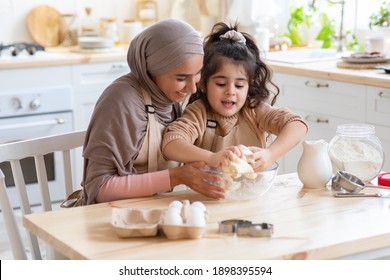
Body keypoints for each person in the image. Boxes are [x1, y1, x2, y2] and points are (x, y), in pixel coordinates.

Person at [80, 19, 226, 205]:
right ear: (152, 71)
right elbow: (100, 189)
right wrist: (175, 177)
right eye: (181, 78)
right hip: (111, 216)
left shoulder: (168, 98)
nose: (192, 88)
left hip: (156, 210)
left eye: (197, 74)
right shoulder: (122, 100)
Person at [162, 22, 308, 172]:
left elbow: (297, 124)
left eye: (239, 86)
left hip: (252, 193)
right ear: (203, 84)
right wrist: (212, 158)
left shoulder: (254, 110)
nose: (230, 92)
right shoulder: (199, 113)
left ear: (249, 86)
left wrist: (270, 154)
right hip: (207, 193)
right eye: (220, 84)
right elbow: (171, 144)